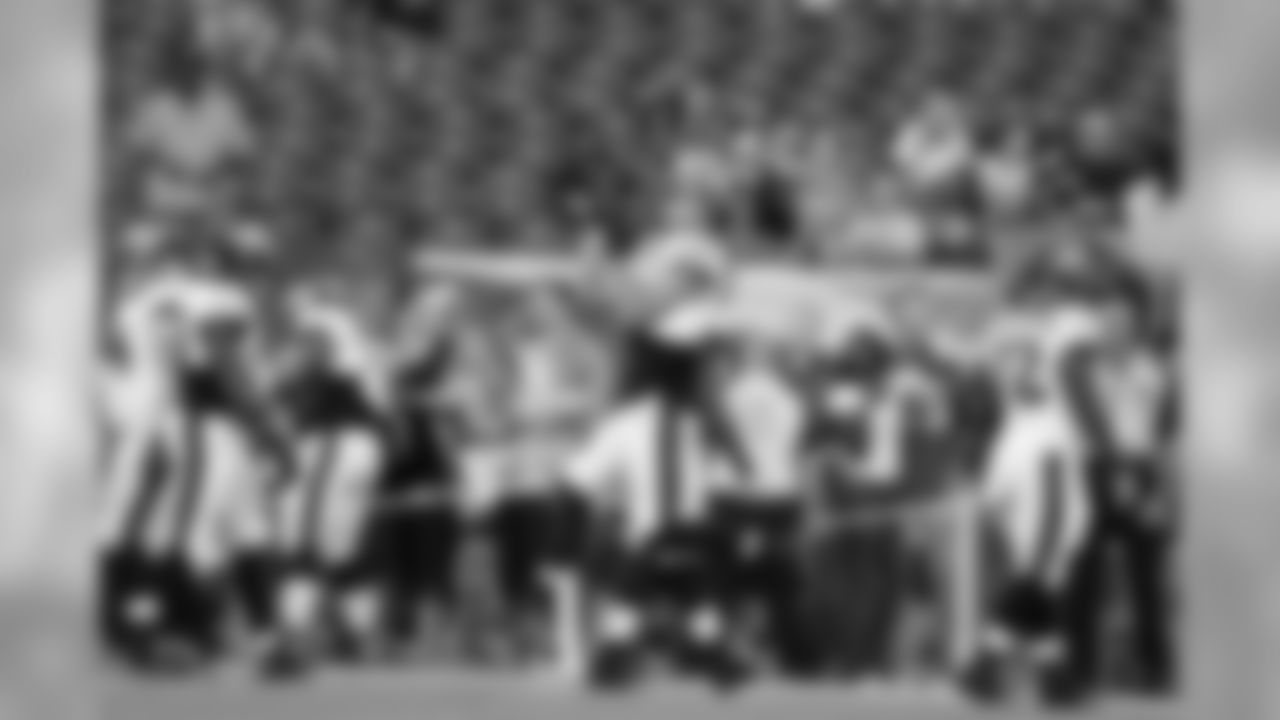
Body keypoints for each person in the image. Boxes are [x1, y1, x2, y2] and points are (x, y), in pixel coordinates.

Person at [555, 300, 750, 691]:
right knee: (692, 577)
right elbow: (732, 480)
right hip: (699, 543)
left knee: (636, 573)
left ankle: (619, 651)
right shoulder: (700, 424)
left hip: (647, 545)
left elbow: (578, 480)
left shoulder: (629, 422)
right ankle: (709, 649)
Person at [963, 268, 1108, 706]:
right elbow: (1071, 380)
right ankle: (990, 665)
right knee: (1042, 570)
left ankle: (1044, 675)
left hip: (1022, 452)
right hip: (1043, 455)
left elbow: (1022, 385)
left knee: (1043, 574)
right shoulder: (1064, 328)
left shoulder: (1018, 332)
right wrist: (1107, 445)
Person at [263, 287, 389, 678]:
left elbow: (306, 371)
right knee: (342, 549)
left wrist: (278, 387)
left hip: (334, 441)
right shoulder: (355, 339)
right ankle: (360, 634)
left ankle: (294, 639)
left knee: (305, 542)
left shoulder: (327, 327)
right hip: (354, 443)